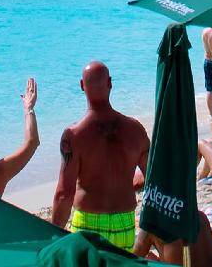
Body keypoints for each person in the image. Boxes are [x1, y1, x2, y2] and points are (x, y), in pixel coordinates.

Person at [50, 62, 150, 248]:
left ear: (82, 85)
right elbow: (154, 178)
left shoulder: (74, 135)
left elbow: (64, 193)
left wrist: (52, 235)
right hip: (125, 223)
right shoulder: (135, 130)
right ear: (110, 83)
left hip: (87, 225)